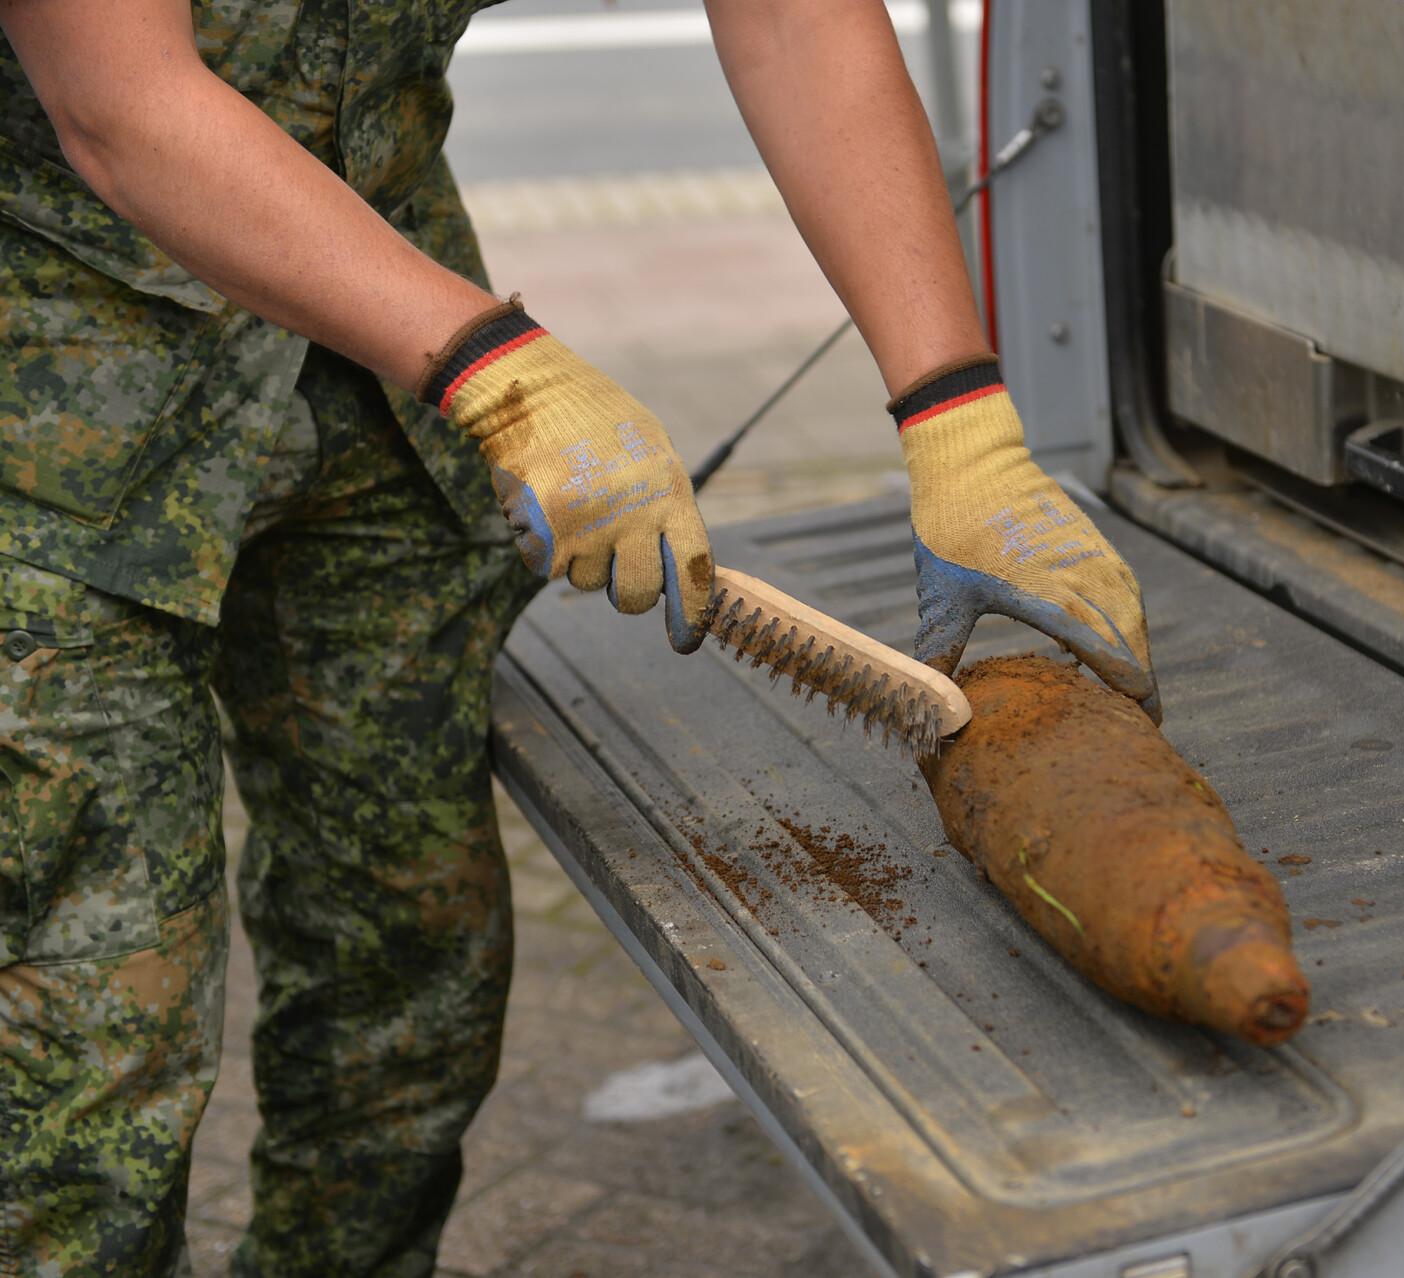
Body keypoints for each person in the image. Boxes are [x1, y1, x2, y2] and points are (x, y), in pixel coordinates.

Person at [0, 0, 1158, 1271]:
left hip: (372, 359)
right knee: (89, 1068)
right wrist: (504, 372)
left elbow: (791, 18)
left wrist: (957, 416)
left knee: (408, 991)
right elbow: (121, 101)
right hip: (55, 388)